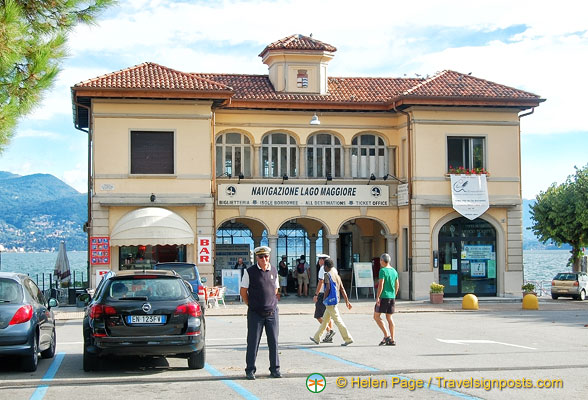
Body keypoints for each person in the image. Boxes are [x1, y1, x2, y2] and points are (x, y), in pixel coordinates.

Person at [239, 246, 281, 380]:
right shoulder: (249, 272)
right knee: (253, 342)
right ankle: (250, 370)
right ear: (257, 258)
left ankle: (275, 369)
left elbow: (275, 289)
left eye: (266, 256)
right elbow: (243, 291)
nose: (264, 259)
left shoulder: (273, 270)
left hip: (271, 313)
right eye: (261, 257)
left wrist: (272, 303)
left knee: (273, 342)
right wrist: (250, 305)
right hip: (255, 313)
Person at [310, 258, 353, 346]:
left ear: (326, 266)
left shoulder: (327, 275)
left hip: (330, 301)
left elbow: (328, 288)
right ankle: (317, 337)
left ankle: (348, 338)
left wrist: (324, 298)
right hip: (335, 299)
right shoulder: (337, 275)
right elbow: (342, 288)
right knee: (325, 320)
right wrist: (347, 301)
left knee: (338, 321)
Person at [373, 253, 399, 346]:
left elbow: (381, 284)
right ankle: (392, 339)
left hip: (383, 296)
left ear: (383, 261)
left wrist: (378, 297)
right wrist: (394, 294)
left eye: (380, 260)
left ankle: (386, 335)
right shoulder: (394, 271)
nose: (380, 262)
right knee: (389, 317)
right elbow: (397, 284)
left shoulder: (382, 271)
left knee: (376, 316)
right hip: (391, 297)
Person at [312, 254, 335, 343]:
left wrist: (316, 294)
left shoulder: (322, 269)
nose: (319, 261)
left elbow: (321, 281)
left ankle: (329, 331)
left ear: (322, 260)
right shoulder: (333, 269)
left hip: (323, 294)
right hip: (330, 294)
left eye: (319, 259)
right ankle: (329, 336)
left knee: (318, 315)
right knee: (328, 315)